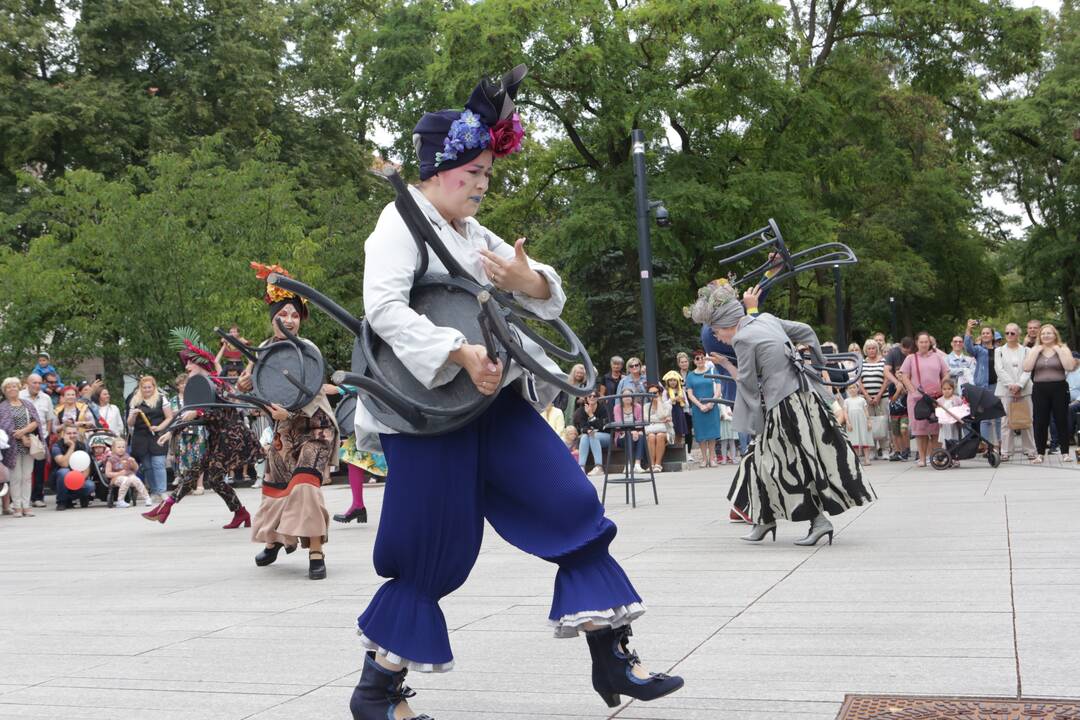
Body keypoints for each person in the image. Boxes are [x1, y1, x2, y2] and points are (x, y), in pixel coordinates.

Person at [348, 68, 681, 720]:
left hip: (493, 401)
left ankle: (612, 656)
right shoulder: (399, 222)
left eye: (486, 177)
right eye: (469, 174)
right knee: (430, 554)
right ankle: (377, 690)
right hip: (427, 414)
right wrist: (456, 350)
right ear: (435, 170)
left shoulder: (473, 236)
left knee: (569, 503)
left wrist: (529, 280)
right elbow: (381, 308)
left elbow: (541, 287)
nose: (479, 186)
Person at [690, 281, 874, 546]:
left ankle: (817, 521)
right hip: (803, 398)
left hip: (783, 406)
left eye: (716, 332)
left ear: (728, 324)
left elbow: (748, 384)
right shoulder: (766, 319)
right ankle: (764, 518)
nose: (717, 338)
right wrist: (819, 368)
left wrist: (727, 364)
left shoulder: (741, 339)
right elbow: (807, 331)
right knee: (759, 460)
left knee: (785, 465)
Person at [240, 264, 337, 579]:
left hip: (316, 427)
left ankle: (316, 551)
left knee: (305, 486)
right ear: (273, 318)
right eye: (284, 314)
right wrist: (246, 384)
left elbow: (308, 392)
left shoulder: (308, 350)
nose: (290, 320)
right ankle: (276, 540)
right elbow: (258, 387)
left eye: (295, 315)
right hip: (284, 429)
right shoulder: (264, 351)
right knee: (276, 487)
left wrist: (289, 413)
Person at [144, 333, 260, 527]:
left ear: (201, 364)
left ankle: (167, 506)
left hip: (231, 437)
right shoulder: (197, 386)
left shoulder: (217, 383)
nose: (187, 366)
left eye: (190, 363)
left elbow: (226, 413)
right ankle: (240, 513)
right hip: (217, 438)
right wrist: (170, 431)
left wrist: (200, 414)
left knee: (209, 475)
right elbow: (186, 414)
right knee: (204, 475)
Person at [331, 385, 384, 525]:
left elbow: (374, 379)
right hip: (374, 415)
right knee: (352, 457)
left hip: (385, 416)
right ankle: (358, 505)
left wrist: (340, 389)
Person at [1023, 324, 1076, 463]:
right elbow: (1026, 368)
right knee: (1040, 421)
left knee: (1061, 420)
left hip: (1059, 388)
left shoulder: (1063, 348)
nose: (1046, 336)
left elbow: (1069, 367)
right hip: (1040, 389)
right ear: (1040, 336)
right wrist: (1035, 351)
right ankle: (1040, 453)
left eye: (1049, 333)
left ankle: (1065, 452)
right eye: (1043, 333)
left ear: (1055, 335)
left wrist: (1058, 351)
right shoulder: (1035, 349)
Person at [898, 331, 950, 467]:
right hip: (917, 399)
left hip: (935, 397)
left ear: (930, 343)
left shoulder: (937, 357)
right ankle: (922, 458)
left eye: (926, 342)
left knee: (935, 428)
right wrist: (913, 391)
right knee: (920, 430)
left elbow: (946, 373)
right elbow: (904, 376)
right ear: (916, 343)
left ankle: (936, 456)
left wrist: (941, 387)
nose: (924, 344)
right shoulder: (910, 358)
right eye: (921, 342)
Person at [1, 377, 46, 517]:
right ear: (4, 390)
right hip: (12, 447)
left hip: (28, 444)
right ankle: (17, 508)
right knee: (15, 477)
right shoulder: (2, 407)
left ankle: (26, 506)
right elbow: (3, 428)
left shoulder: (27, 404)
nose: (12, 389)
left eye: (15, 386)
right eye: (9, 387)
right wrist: (18, 435)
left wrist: (24, 432)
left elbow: (36, 421)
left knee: (27, 476)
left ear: (19, 388)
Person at [127, 376, 172, 500]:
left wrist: (159, 427)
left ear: (154, 387)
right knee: (147, 466)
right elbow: (130, 423)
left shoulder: (161, 398)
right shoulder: (135, 401)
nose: (147, 390)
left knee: (158, 463)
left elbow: (169, 417)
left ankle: (162, 491)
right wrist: (134, 416)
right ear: (140, 388)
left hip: (157, 435)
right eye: (144, 387)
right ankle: (154, 491)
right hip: (141, 437)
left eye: (149, 387)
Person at [995, 324, 1036, 461]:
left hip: (1024, 389)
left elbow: (1028, 369)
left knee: (1027, 419)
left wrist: (1019, 385)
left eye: (1012, 333)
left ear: (1018, 334)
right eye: (1007, 333)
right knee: (1006, 421)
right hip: (1005, 391)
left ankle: (1030, 449)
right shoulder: (999, 351)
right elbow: (999, 370)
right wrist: (1011, 386)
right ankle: (1006, 451)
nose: (1009, 335)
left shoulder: (1027, 351)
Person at [19, 373, 55, 507]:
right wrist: (22, 435)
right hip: (22, 435)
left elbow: (49, 418)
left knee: (39, 468)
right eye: (34, 383)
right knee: (21, 468)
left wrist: (47, 436)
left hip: (41, 435)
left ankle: (37, 497)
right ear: (27, 383)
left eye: (40, 383)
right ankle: (20, 499)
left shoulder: (46, 398)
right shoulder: (20, 396)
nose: (37, 385)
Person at [965, 320, 1000, 452]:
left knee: (998, 417)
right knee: (984, 418)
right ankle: (986, 446)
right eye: (983, 333)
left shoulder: (999, 350)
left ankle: (999, 444)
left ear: (992, 335)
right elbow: (968, 347)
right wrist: (968, 330)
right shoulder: (979, 350)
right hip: (983, 387)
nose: (985, 335)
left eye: (988, 333)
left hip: (997, 386)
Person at [169, 373, 207, 495]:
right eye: (181, 384)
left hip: (197, 429)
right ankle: (188, 485)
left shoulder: (196, 397)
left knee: (199, 457)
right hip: (182, 431)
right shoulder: (174, 400)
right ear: (177, 386)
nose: (184, 385)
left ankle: (200, 485)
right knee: (184, 458)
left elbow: (203, 412)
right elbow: (174, 415)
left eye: (186, 383)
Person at [684, 350, 721, 467]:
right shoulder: (690, 375)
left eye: (701, 358)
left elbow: (718, 390)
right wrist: (700, 405)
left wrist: (711, 403)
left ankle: (712, 458)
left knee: (712, 434)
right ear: (694, 361)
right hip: (698, 409)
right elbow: (690, 394)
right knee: (701, 434)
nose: (700, 360)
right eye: (697, 359)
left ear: (705, 359)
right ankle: (704, 459)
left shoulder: (713, 371)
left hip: (712, 406)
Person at [51, 424, 95, 510]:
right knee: (64, 471)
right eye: (69, 433)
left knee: (90, 485)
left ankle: (69, 499)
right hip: (60, 481)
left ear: (78, 433)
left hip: (77, 479)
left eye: (74, 433)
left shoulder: (83, 446)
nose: (72, 435)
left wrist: (81, 480)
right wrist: (71, 447)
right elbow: (64, 464)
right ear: (63, 434)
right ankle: (61, 502)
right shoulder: (56, 446)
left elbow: (87, 467)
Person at [884, 337, 914, 461]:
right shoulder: (893, 352)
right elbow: (886, 371)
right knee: (895, 432)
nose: (907, 354)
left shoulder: (913, 354)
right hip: (895, 411)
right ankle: (898, 450)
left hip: (904, 410)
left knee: (904, 429)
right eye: (905, 351)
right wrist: (897, 384)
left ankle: (906, 449)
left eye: (909, 351)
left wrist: (906, 385)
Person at [859, 339, 889, 459]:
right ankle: (872, 450)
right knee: (869, 424)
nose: (871, 350)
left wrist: (878, 396)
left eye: (873, 348)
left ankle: (885, 449)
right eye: (869, 348)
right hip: (866, 398)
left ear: (877, 349)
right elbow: (859, 380)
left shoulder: (883, 361)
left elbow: (886, 379)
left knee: (883, 423)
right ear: (866, 350)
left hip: (882, 397)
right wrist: (866, 395)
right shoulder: (862, 362)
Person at [105, 438, 150, 508]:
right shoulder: (111, 459)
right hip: (116, 478)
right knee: (126, 480)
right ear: (113, 448)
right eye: (119, 447)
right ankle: (120, 500)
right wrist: (119, 473)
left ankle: (147, 498)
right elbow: (108, 473)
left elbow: (136, 468)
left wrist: (133, 462)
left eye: (123, 447)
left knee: (136, 480)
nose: (121, 449)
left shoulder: (127, 457)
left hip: (129, 475)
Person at [573, 391, 610, 476]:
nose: (592, 397)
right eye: (590, 396)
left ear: (597, 398)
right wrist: (588, 430)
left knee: (593, 435)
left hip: (606, 436)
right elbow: (582, 427)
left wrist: (591, 415)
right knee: (585, 437)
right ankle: (581, 467)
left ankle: (599, 467)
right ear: (586, 398)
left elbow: (602, 426)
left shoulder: (603, 409)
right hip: (590, 437)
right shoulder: (582, 410)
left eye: (595, 395)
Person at [643, 383, 672, 472]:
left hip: (666, 431)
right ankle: (651, 464)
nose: (653, 395)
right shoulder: (646, 406)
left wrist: (659, 402)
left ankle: (658, 464)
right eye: (650, 393)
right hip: (650, 431)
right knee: (651, 436)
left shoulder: (667, 405)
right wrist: (661, 420)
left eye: (655, 393)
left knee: (659, 435)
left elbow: (662, 415)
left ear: (659, 393)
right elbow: (646, 419)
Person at [843, 383, 873, 466]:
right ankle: (856, 459)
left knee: (864, 438)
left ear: (857, 389)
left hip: (862, 421)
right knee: (854, 439)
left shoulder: (862, 400)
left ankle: (867, 459)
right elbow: (845, 412)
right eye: (850, 388)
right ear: (847, 390)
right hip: (852, 422)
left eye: (854, 387)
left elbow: (866, 411)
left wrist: (869, 421)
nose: (852, 389)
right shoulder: (846, 401)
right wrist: (848, 422)